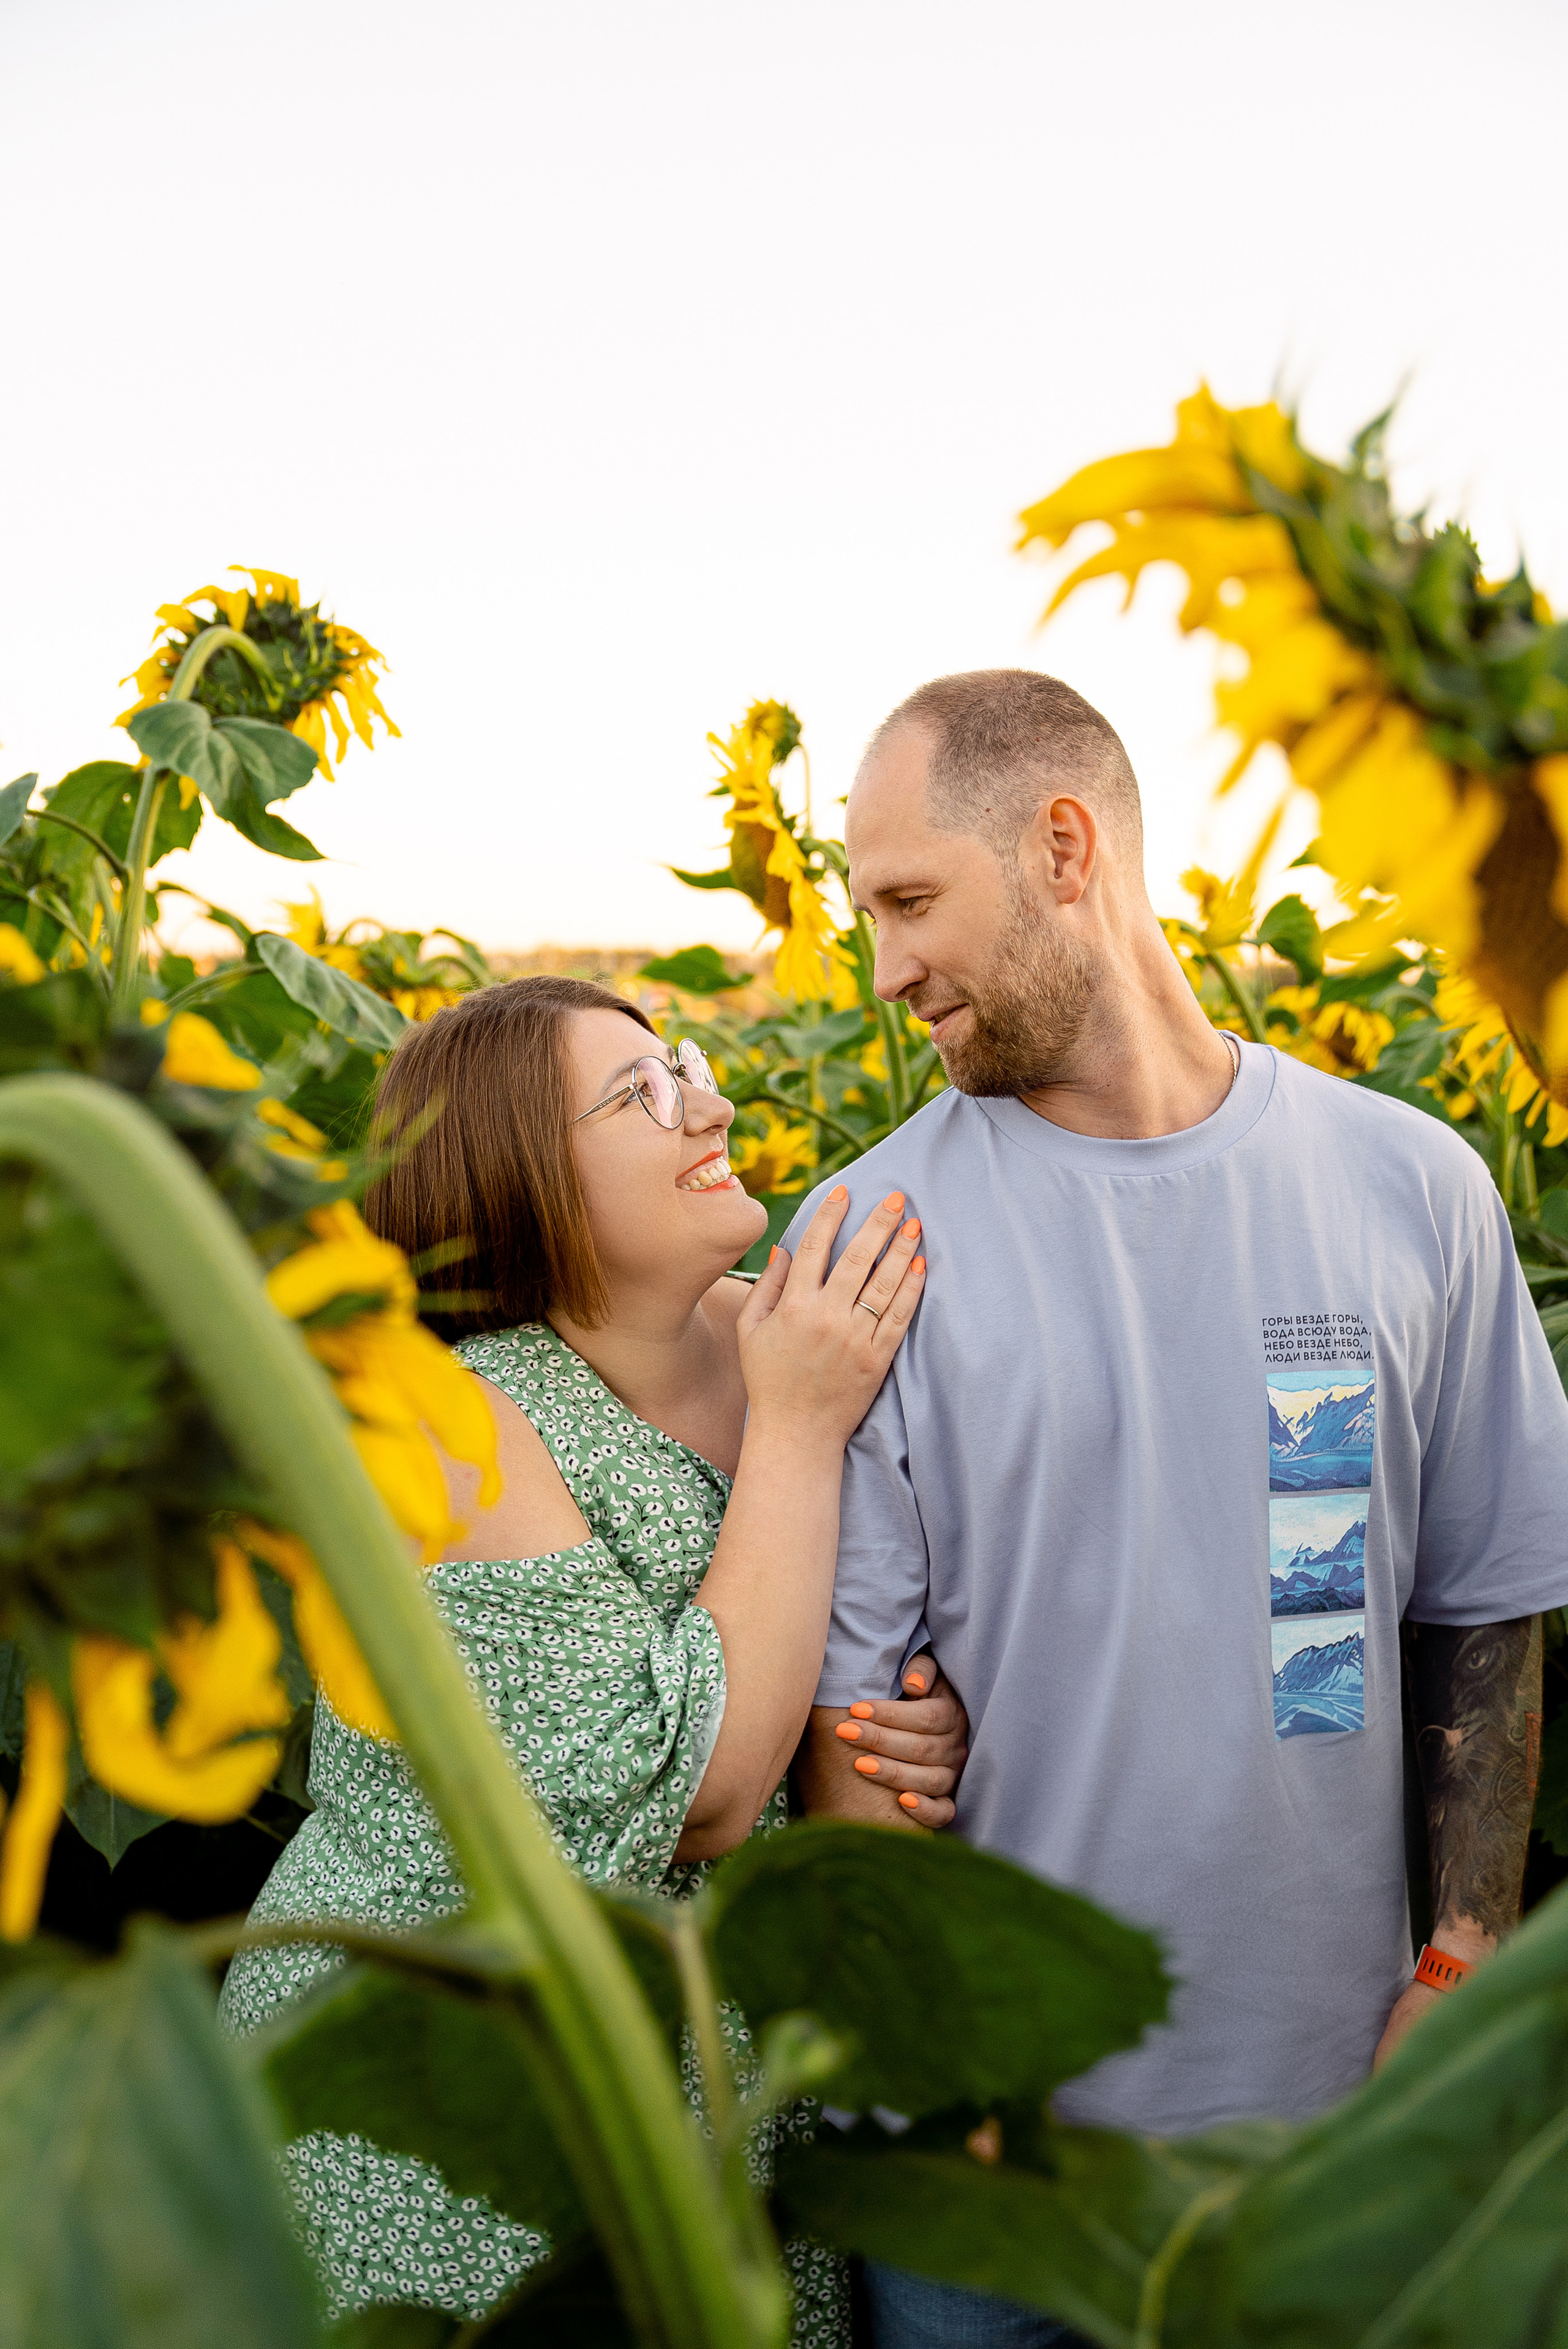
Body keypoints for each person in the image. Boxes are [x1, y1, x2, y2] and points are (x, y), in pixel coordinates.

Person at [785, 668, 1565, 2349]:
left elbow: (1485, 1598)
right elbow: (854, 1730)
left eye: (911, 901)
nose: (886, 966)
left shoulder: (1411, 1182)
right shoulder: (864, 1243)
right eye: (867, 914)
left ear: (1066, 846)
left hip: (1333, 2129)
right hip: (990, 2170)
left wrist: (1466, 1954)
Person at [219, 975, 968, 2340]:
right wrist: (798, 1431)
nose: (712, 1101)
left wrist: (892, 1718)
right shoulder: (456, 1420)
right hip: (449, 2101)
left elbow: (862, 1623)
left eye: (684, 1063)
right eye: (643, 1095)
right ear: (523, 1184)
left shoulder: (768, 1333)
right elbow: (693, 1799)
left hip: (701, 2074)